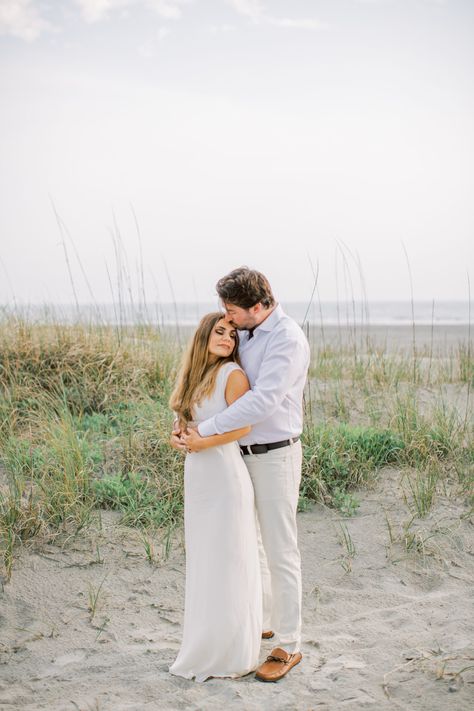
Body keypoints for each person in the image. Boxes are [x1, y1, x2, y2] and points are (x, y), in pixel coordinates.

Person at [174, 267, 310, 683]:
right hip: (233, 456)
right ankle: (261, 620)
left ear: (257, 307)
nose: (226, 318)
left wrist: (204, 432)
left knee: (280, 547)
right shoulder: (247, 332)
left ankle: (288, 642)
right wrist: (189, 425)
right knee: (249, 543)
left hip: (273, 454)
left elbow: (262, 402)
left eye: (231, 310)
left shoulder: (286, 340)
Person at [168, 312, 262, 683]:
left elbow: (244, 424)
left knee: (228, 559)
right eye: (220, 332)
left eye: (233, 334)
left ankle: (231, 651)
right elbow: (184, 426)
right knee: (205, 560)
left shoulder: (232, 375)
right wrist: (177, 438)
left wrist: (202, 441)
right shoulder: (195, 377)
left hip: (224, 476)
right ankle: (204, 643)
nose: (227, 338)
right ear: (204, 336)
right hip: (199, 478)